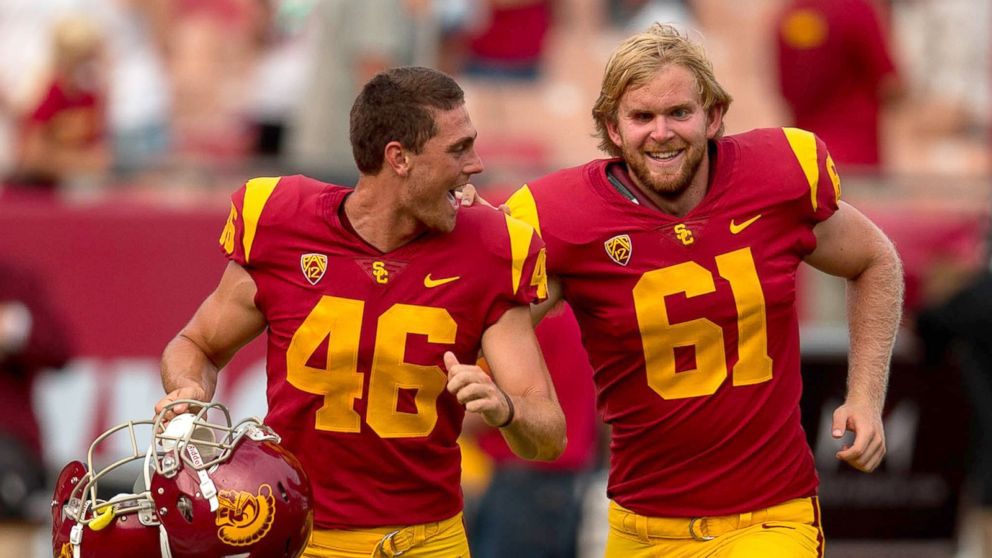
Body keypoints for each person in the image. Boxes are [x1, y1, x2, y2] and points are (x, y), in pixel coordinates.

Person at [502, 23, 904, 557]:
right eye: (642, 116)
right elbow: (493, 320)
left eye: (679, 113)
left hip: (768, 520)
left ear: (714, 115)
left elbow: (876, 259)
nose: (661, 132)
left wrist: (866, 397)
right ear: (613, 128)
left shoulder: (777, 176)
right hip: (641, 526)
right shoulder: (563, 218)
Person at [155, 66, 565, 558]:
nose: (476, 165)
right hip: (299, 537)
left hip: (427, 542)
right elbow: (196, 345)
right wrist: (189, 392)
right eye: (457, 149)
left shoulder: (493, 247)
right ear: (399, 158)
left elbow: (548, 435)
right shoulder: (282, 222)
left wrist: (507, 409)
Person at [469, 302, 599, 558]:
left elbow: (489, 404)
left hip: (523, 481)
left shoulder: (515, 323)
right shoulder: (577, 316)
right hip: (570, 479)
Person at [773, 0, 902, 173]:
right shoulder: (855, 10)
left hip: (806, 159)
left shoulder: (791, 14)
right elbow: (888, 83)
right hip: (858, 159)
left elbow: (785, 88)